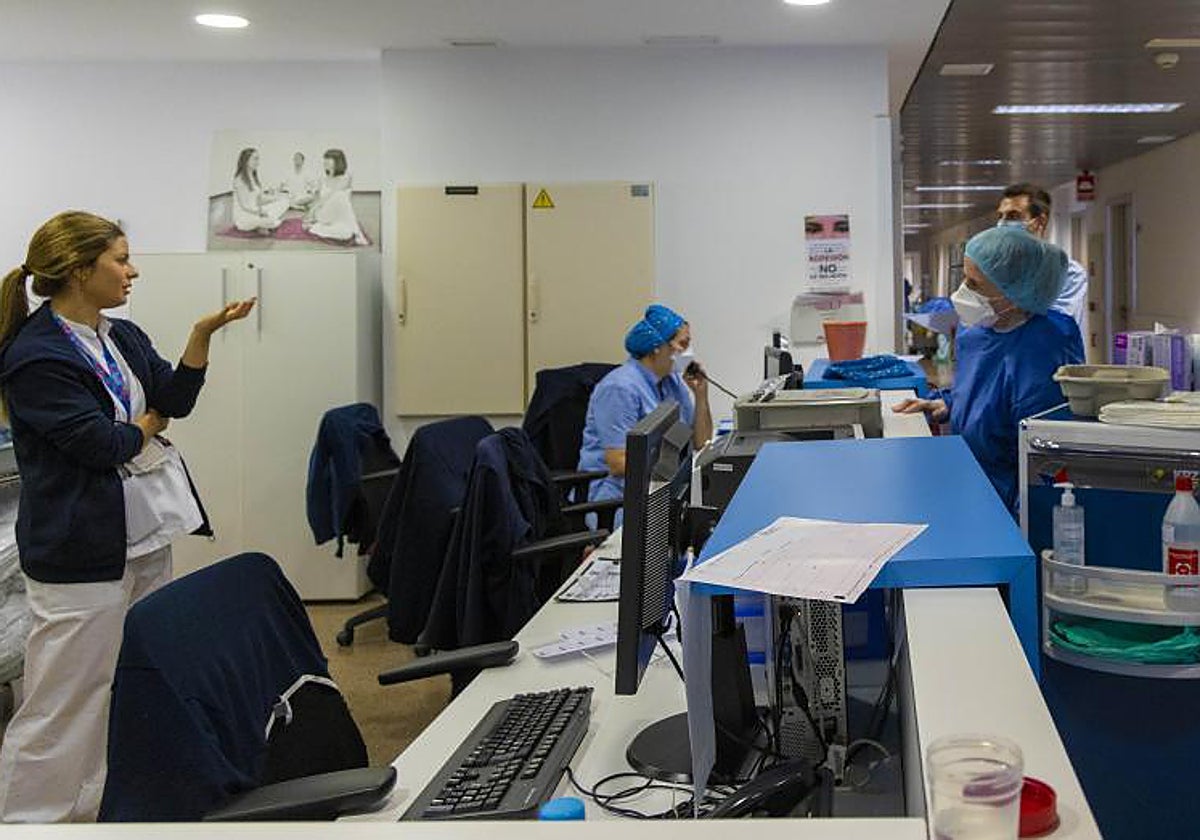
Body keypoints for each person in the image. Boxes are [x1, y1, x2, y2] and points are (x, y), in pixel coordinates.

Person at [0, 211, 255, 822]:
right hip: (78, 550)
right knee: (64, 702)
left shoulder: (120, 336)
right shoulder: (35, 356)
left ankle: (96, 814)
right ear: (79, 270)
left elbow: (175, 400)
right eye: (120, 258)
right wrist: (140, 429)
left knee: (125, 686)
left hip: (138, 538)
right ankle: (28, 822)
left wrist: (201, 336)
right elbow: (102, 445)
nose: (131, 269)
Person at [893, 226, 1084, 515]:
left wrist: (1027, 524)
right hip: (973, 485)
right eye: (964, 279)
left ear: (1015, 291)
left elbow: (1045, 458)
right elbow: (983, 391)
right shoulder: (975, 335)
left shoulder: (1044, 349)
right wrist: (947, 402)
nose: (963, 292)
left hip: (1014, 504)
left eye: (975, 284)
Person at [578, 304, 713, 518]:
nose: (688, 353)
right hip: (618, 499)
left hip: (659, 489)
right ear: (658, 347)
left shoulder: (673, 381)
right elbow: (618, 463)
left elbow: (701, 443)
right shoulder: (619, 388)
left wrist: (701, 395)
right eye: (683, 344)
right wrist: (671, 468)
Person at [996, 183, 1089, 339]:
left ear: (1040, 222)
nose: (1002, 224)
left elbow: (1054, 327)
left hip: (1047, 361)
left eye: (1013, 216)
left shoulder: (1068, 273)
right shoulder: (991, 269)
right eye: (1000, 216)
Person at [303, 148, 368, 245]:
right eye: (325, 159)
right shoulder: (322, 178)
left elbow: (333, 194)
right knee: (340, 195)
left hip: (339, 215)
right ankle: (358, 233)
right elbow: (321, 199)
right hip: (323, 214)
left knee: (346, 234)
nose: (325, 162)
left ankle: (314, 228)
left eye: (328, 160)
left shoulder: (346, 177)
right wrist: (312, 211)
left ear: (338, 162)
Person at [231, 147, 288, 234]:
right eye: (255, 159)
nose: (258, 162)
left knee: (284, 202)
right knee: (272, 221)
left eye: (258, 159)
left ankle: (262, 225)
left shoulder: (253, 177)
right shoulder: (239, 180)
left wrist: (276, 198)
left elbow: (259, 199)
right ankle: (264, 224)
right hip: (245, 216)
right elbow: (244, 206)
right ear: (246, 161)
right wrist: (260, 212)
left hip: (257, 211)